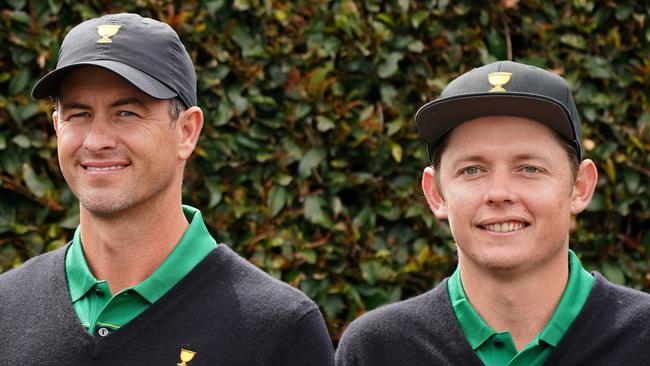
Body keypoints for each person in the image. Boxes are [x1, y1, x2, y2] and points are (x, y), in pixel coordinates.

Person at [0, 13, 334, 365]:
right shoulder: (6, 309)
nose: (96, 141)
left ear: (187, 131)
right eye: (78, 114)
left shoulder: (278, 330)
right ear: (57, 126)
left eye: (126, 113)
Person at [335, 61, 650, 365]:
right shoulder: (379, 349)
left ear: (580, 186)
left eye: (529, 168)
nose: (499, 193)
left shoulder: (642, 337)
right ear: (435, 192)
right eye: (472, 170)